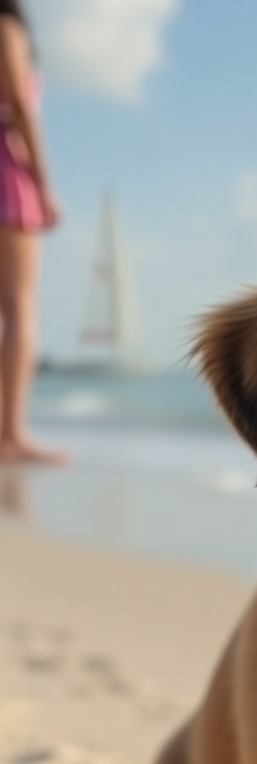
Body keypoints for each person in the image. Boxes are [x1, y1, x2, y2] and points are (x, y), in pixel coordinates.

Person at [0, 0, 64, 463]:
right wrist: (44, 186)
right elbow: (20, 103)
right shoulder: (6, 25)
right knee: (21, 309)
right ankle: (11, 434)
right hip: (9, 171)